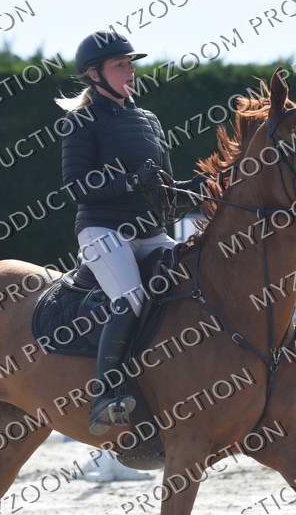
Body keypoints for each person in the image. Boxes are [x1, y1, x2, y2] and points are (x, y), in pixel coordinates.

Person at [54, 31, 207, 435]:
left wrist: (198, 192)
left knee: (195, 283)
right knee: (132, 298)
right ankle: (104, 396)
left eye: (130, 64)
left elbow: (165, 189)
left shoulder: (149, 120)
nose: (130, 71)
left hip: (151, 232)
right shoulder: (81, 121)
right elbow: (76, 186)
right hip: (103, 230)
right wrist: (128, 181)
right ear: (95, 74)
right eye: (120, 65)